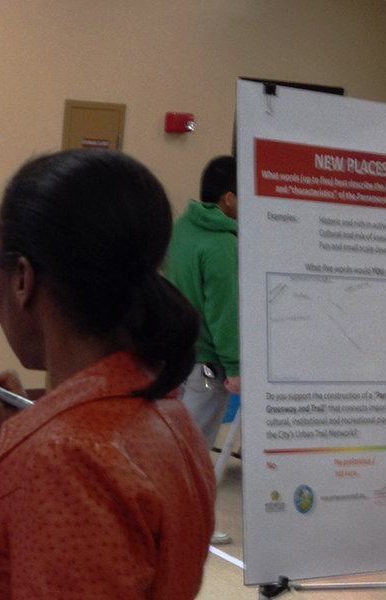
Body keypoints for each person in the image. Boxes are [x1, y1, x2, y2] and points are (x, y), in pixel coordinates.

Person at [0, 149, 216, 599]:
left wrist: (34, 458)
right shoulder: (166, 414)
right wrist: (10, 459)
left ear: (22, 279)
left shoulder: (66, 460)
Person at [164, 154, 239, 545]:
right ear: (228, 198)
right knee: (192, 451)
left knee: (177, 441)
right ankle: (187, 527)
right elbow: (225, 313)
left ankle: (178, 522)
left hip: (176, 355)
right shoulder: (223, 245)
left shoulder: (180, 230)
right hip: (208, 364)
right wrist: (236, 365)